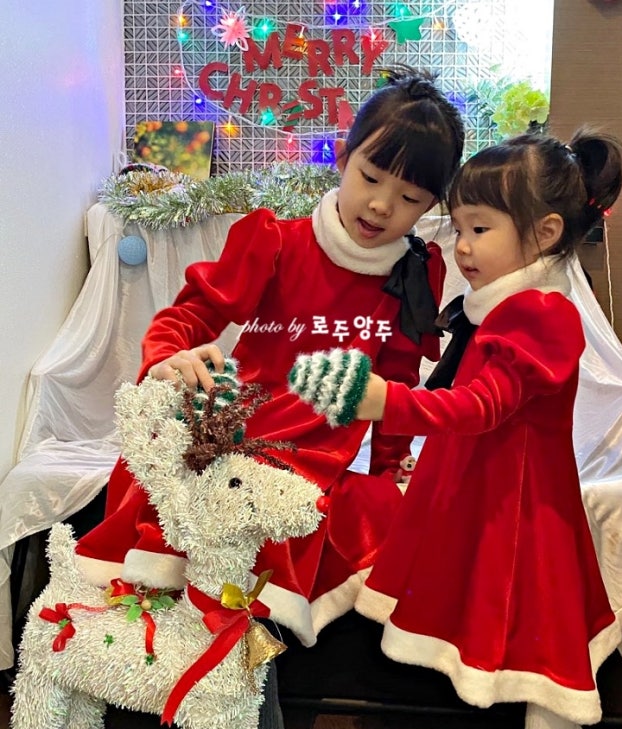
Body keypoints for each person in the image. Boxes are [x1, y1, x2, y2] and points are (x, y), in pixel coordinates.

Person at [73, 67, 465, 651]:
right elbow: (191, 314)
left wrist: (389, 469)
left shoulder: (416, 272)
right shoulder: (277, 240)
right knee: (168, 482)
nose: (382, 205)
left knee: (346, 516)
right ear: (342, 157)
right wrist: (166, 356)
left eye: (410, 198)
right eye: (370, 177)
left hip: (314, 461)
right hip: (237, 428)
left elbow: (397, 382)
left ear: (433, 204)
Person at [290, 127, 622, 729]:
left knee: (533, 611)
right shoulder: (504, 307)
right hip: (488, 484)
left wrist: (387, 402)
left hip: (518, 499)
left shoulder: (541, 314)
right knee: (515, 608)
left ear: (545, 233)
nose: (464, 247)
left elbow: (483, 405)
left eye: (480, 229)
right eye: (460, 228)